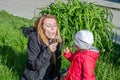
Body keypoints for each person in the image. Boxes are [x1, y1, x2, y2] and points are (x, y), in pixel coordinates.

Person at [21, 14, 62, 80]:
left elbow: (57, 62)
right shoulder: (34, 39)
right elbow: (34, 65)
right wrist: (48, 51)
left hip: (49, 76)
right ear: (42, 28)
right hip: (34, 77)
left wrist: (56, 76)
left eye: (55, 25)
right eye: (48, 26)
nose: (53, 29)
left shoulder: (57, 39)